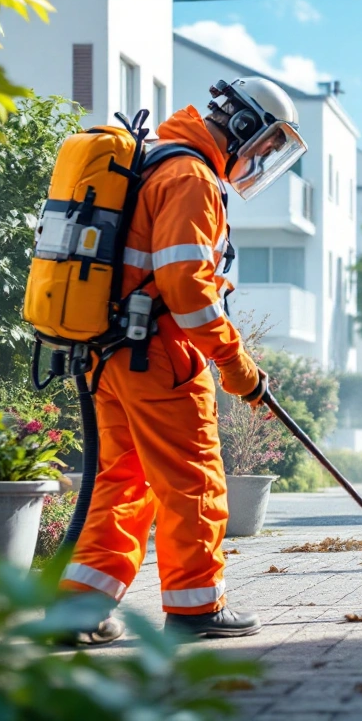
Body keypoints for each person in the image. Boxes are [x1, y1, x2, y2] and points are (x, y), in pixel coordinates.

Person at [59, 77, 308, 642]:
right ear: (243, 126)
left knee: (121, 484)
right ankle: (197, 607)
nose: (259, 160)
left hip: (110, 354)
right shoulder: (191, 178)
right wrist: (237, 367)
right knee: (193, 482)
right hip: (161, 357)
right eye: (265, 145)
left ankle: (77, 611)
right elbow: (188, 291)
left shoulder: (155, 162)